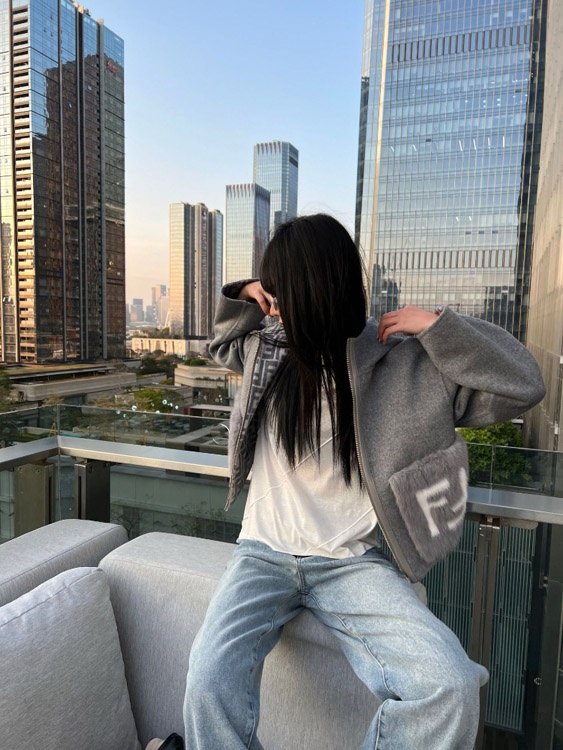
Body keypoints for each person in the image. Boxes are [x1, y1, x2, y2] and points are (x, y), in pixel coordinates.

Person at [172, 214, 543, 750]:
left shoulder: (404, 362)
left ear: (316, 286)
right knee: (208, 682)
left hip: (352, 563)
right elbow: (219, 341)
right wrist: (246, 292)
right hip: (261, 554)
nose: (273, 305)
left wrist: (439, 326)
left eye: (280, 290)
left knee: (450, 686)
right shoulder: (266, 351)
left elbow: (523, 384)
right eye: (269, 292)